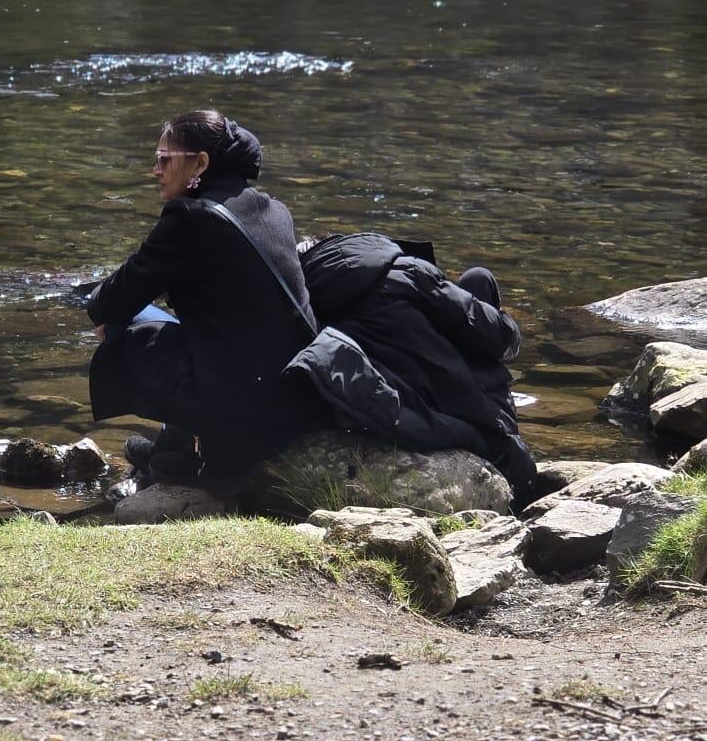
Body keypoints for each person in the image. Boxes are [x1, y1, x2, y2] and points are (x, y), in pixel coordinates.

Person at [78, 111, 320, 482]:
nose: (155, 170)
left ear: (200, 164)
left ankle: (193, 451)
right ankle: (173, 446)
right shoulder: (275, 210)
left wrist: (104, 306)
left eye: (164, 160)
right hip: (291, 398)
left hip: (241, 407)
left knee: (119, 321)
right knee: (171, 324)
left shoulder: (190, 218)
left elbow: (111, 300)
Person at [291, 232, 537, 508]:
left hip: (408, 416)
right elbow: (501, 338)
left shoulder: (305, 309)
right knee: (479, 279)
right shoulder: (406, 271)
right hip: (471, 415)